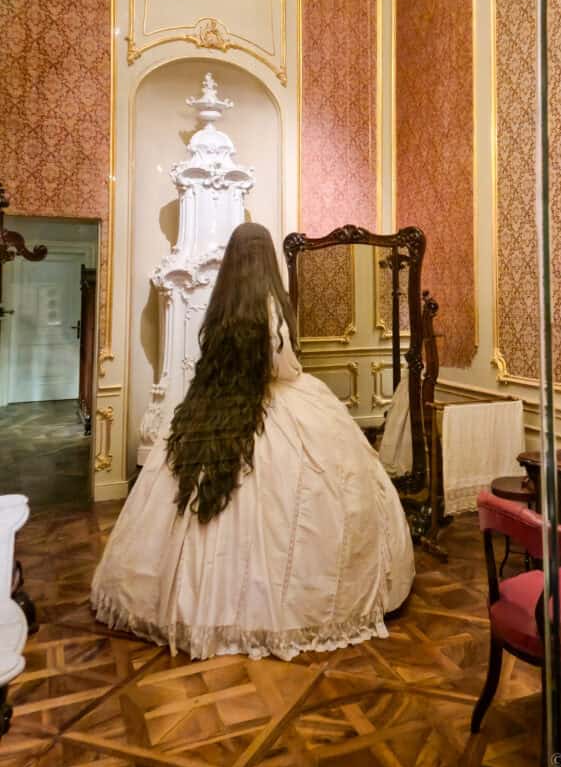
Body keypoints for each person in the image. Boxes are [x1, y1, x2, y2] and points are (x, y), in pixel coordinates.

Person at [91, 223, 415, 661]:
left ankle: (198, 599)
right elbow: (282, 369)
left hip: (222, 404)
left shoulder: (221, 307)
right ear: (267, 260)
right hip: (280, 401)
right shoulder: (270, 307)